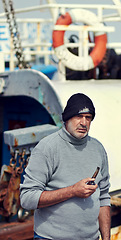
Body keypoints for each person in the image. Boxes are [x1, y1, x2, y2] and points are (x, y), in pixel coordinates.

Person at [20, 93, 111, 240]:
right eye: (78, 117)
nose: (84, 122)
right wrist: (73, 191)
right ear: (66, 119)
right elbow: (27, 199)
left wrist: (106, 238)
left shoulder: (98, 149)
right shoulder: (47, 148)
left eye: (88, 118)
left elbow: (103, 197)